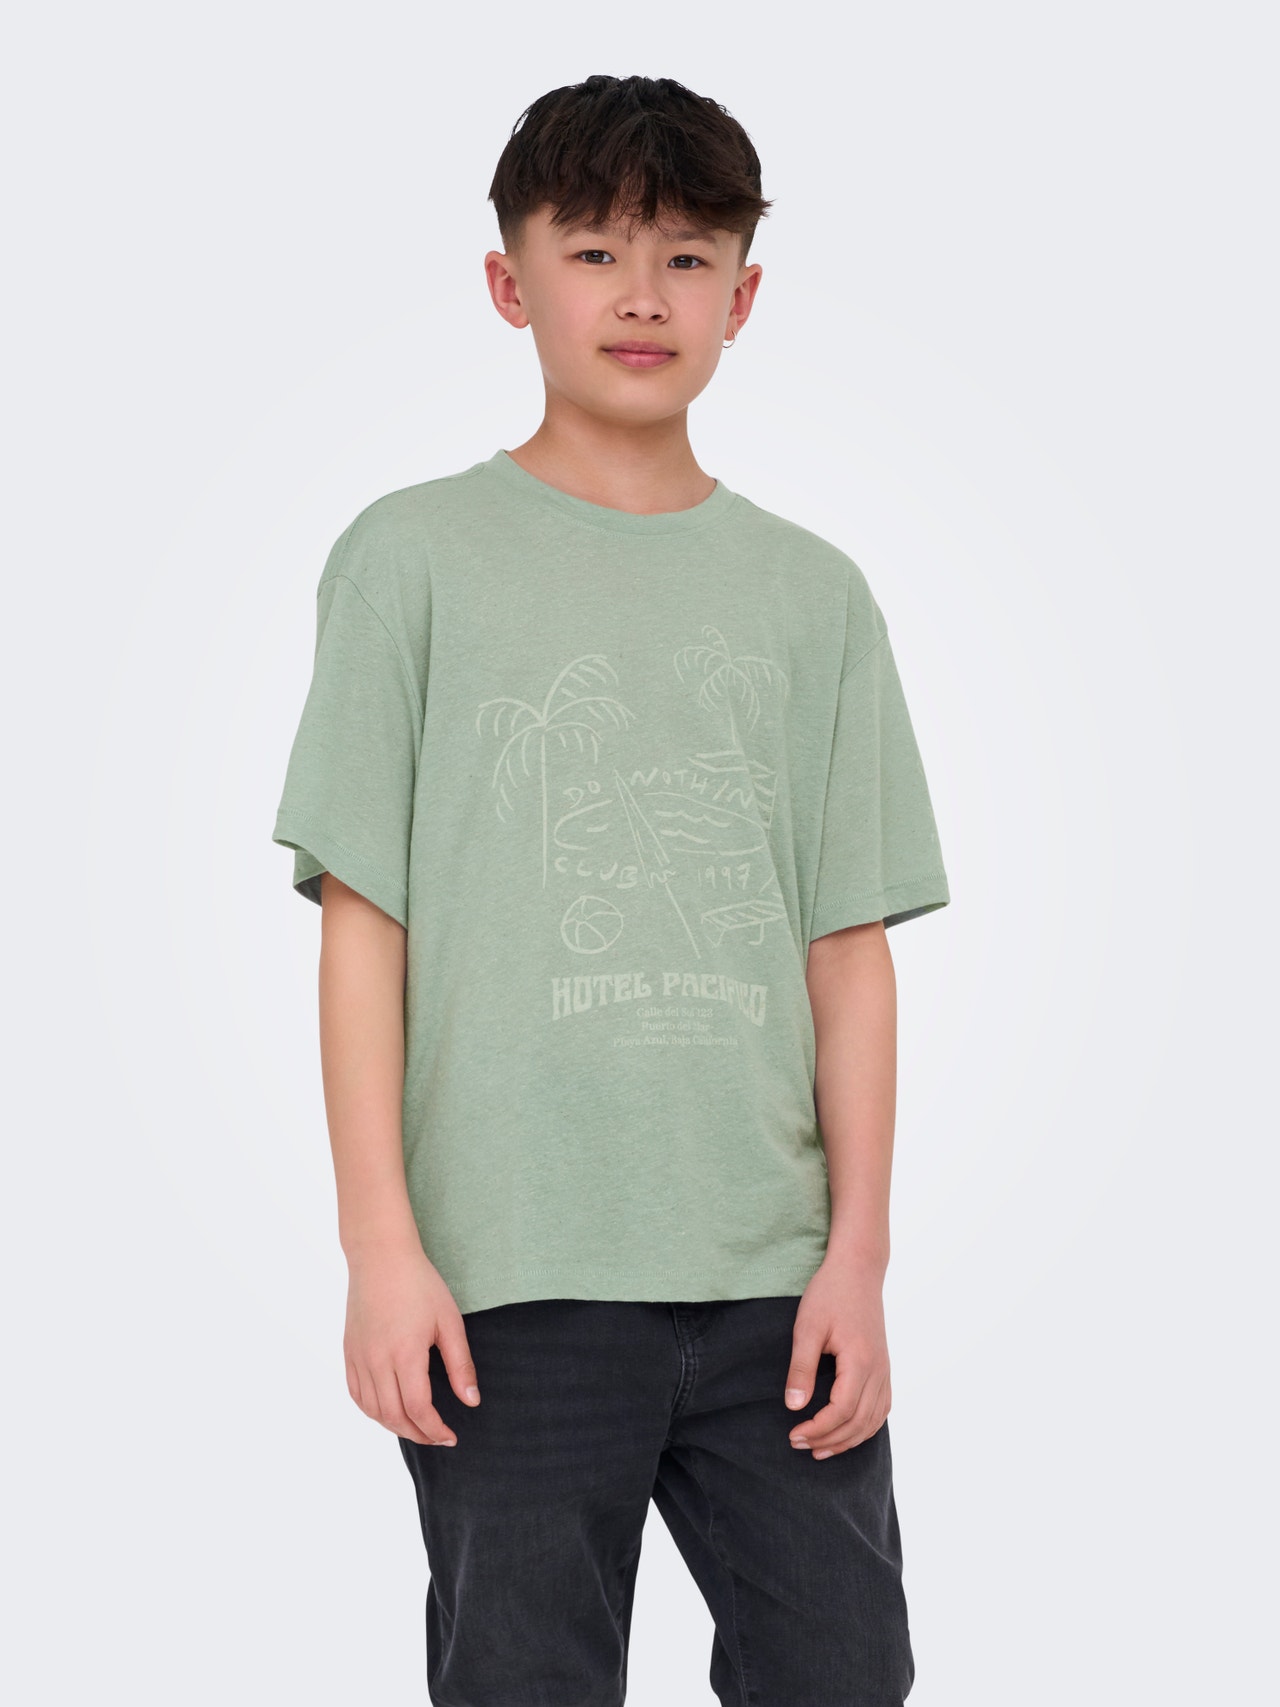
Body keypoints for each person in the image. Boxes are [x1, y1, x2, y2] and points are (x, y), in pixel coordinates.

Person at [272, 72, 950, 1707]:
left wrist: (857, 1259)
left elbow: (846, 950)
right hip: (509, 1280)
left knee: (844, 1671)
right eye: (594, 253)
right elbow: (367, 927)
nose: (644, 296)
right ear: (510, 283)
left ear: (743, 297)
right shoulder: (411, 561)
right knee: (523, 1681)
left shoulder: (814, 595)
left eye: (688, 258)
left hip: (773, 1280)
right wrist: (381, 1248)